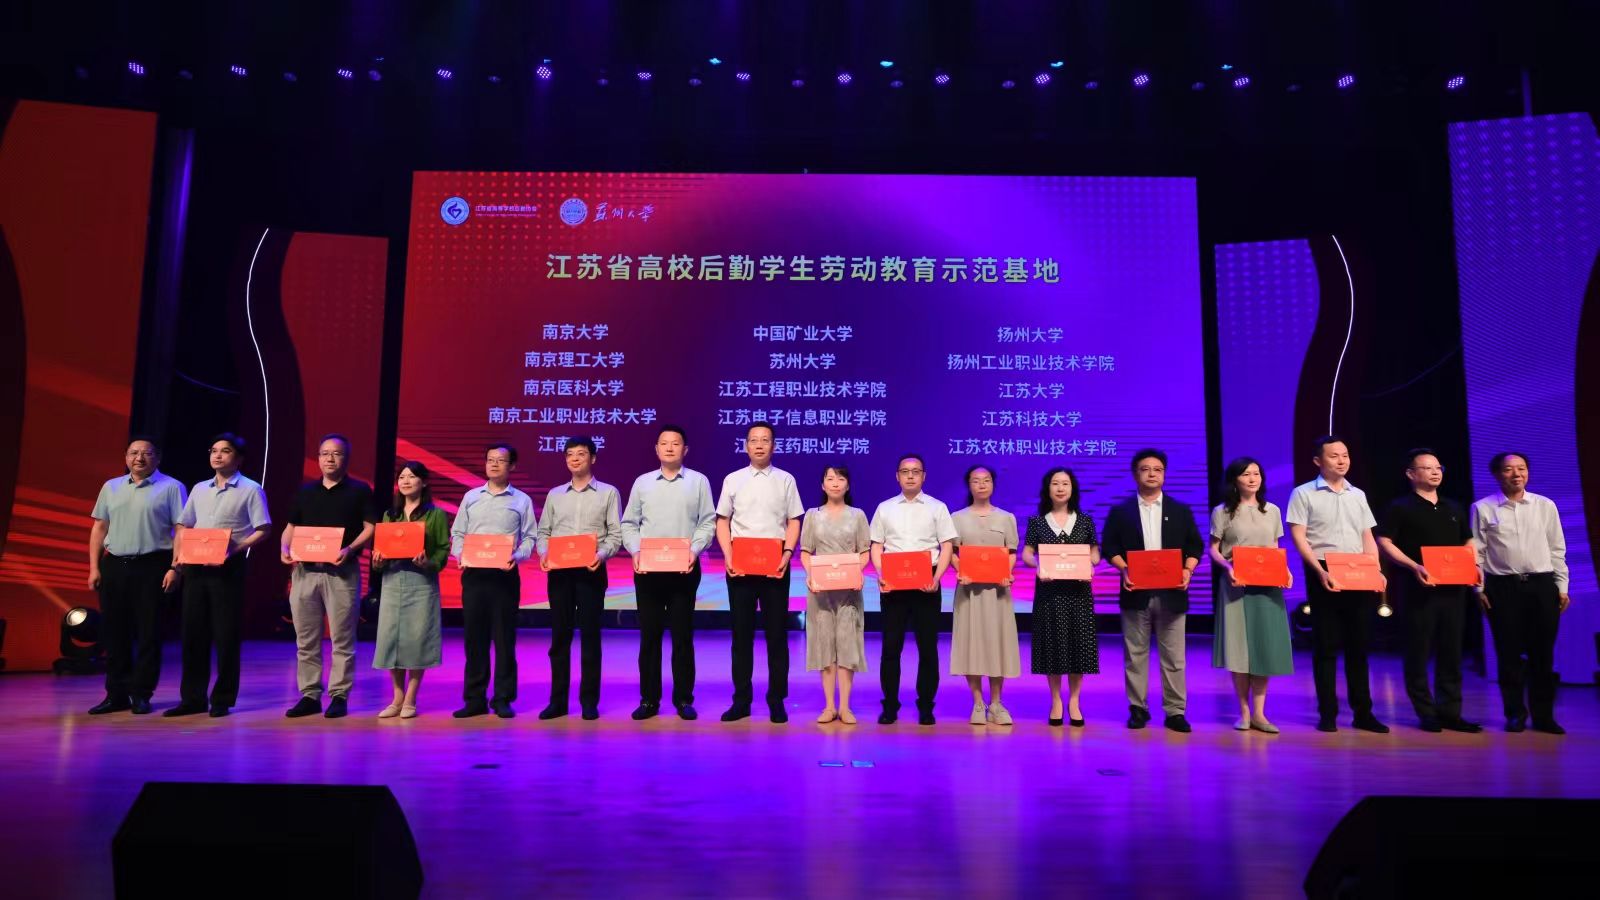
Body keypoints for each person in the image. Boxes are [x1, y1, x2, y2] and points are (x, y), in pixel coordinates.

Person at [1287, 434, 1390, 733]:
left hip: (1358, 569)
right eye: (1334, 456)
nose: (1342, 460)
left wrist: (1376, 569)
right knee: (1326, 645)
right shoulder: (1303, 493)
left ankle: (1363, 713)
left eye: (1345, 455)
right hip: (1324, 569)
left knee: (1359, 645)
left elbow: (1367, 535)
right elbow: (1299, 536)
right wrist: (1319, 572)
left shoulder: (1357, 494)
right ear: (1318, 461)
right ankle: (1328, 713)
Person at [165, 433, 271, 718]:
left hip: (228, 567)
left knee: (226, 634)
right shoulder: (200, 488)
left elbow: (263, 528)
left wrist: (235, 548)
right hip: (195, 566)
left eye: (225, 451)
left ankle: (222, 698)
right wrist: (176, 563)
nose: (218, 455)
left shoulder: (250, 489)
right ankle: (192, 698)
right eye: (214, 450)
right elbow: (184, 525)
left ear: (239, 458)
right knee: (193, 633)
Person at [1376, 449, 1481, 733]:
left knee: (1452, 651)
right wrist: (1414, 566)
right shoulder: (1400, 507)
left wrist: (1471, 565)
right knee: (1418, 651)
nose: (1435, 472)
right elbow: (1384, 541)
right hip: (1418, 589)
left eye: (1438, 467)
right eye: (1427, 468)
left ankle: (1451, 712)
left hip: (1454, 590)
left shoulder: (1453, 507)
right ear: (1411, 474)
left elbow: (1468, 540)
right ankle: (1426, 712)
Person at [1101, 448, 1204, 733]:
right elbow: (1109, 546)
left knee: (1174, 657)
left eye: (1157, 469)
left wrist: (1187, 570)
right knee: (1135, 655)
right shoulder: (1120, 511)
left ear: (1165, 475)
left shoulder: (1180, 511)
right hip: (1135, 592)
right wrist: (1124, 569)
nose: (1151, 474)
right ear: (1135, 474)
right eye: (1145, 469)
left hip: (1173, 593)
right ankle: (1138, 709)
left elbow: (1195, 546)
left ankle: (1175, 712)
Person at [621, 425, 717, 721]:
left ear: (685, 450)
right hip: (648, 570)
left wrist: (694, 551)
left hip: (684, 569)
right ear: (656, 449)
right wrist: (635, 551)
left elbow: (707, 522)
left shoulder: (698, 481)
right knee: (649, 636)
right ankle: (649, 700)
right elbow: (629, 524)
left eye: (676, 443)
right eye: (664, 443)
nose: (670, 447)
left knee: (682, 636)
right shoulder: (643, 483)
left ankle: (684, 699)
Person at [1471, 452, 1571, 735]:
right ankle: (1515, 714)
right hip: (1503, 587)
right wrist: (1479, 588)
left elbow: (1557, 549)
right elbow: (1476, 553)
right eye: (1509, 469)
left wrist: (1562, 586)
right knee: (1509, 653)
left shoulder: (1545, 505)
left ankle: (1544, 716)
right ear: (1496, 474)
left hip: (1542, 585)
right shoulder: (1482, 508)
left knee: (1543, 654)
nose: (1516, 474)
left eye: (1522, 468)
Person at [86, 436, 187, 716]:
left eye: (146, 453)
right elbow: (99, 528)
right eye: (133, 453)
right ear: (126, 457)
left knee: (148, 632)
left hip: (153, 565)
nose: (139, 458)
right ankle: (115, 694)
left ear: (158, 457)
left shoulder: (172, 487)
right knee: (114, 632)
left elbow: (182, 530)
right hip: (115, 565)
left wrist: (175, 567)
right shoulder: (111, 486)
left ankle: (141, 693)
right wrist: (94, 567)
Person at [280, 434, 377, 720]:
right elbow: (291, 527)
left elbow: (370, 527)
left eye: (336, 454)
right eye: (324, 453)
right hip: (305, 572)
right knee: (306, 638)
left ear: (346, 458)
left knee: (342, 638)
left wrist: (350, 548)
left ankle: (339, 695)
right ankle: (309, 695)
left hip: (341, 573)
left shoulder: (359, 490)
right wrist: (284, 549)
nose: (329, 459)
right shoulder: (305, 491)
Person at [715, 421, 804, 723]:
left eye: (765, 440)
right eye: (754, 440)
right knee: (741, 636)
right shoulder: (733, 479)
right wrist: (728, 555)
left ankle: (776, 699)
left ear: (773, 446)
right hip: (740, 566)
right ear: (746, 446)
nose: (759, 445)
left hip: (774, 566)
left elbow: (794, 520)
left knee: (776, 635)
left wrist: (787, 554)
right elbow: (723, 520)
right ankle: (741, 700)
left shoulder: (785, 480)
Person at [536, 437, 623, 721]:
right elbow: (543, 532)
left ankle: (589, 701)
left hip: (591, 572)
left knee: (590, 637)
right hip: (560, 574)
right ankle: (558, 702)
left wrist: (601, 554)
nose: (574, 459)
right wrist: (544, 553)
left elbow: (615, 535)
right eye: (570, 454)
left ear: (593, 458)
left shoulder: (608, 493)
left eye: (581, 454)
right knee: (559, 638)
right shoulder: (555, 495)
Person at [449, 443, 537, 719]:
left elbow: (530, 537)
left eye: (500, 460)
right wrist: (460, 555)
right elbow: (458, 533)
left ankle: (503, 698)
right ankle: (474, 698)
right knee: (474, 640)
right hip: (474, 576)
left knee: (504, 640)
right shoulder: (471, 497)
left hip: (504, 576)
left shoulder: (521, 500)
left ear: (512, 466)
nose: (494, 464)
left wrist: (517, 556)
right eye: (490, 460)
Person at [1208, 457, 1294, 733]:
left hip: (1268, 585)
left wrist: (1285, 571)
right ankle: (1244, 711)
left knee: (1263, 647)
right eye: (1246, 474)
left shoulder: (1272, 510)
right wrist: (1227, 566)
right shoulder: (1222, 512)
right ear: (1235, 480)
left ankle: (1259, 713)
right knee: (1239, 650)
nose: (1253, 478)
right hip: (1236, 585)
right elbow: (1213, 549)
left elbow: (1274, 547)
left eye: (1256, 473)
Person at [869, 454, 956, 726]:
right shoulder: (884, 508)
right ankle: (890, 705)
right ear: (897, 476)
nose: (910, 475)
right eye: (905, 471)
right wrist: (881, 575)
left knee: (927, 648)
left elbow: (947, 545)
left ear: (924, 476)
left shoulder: (937, 507)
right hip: (894, 583)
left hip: (926, 583)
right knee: (890, 647)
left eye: (916, 471)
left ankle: (926, 705)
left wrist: (937, 578)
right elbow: (876, 545)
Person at [1021, 467, 1100, 727]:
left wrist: (1090, 564)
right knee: (1053, 647)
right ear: (1048, 489)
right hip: (1049, 593)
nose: (1060, 488)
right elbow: (1027, 554)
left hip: (1078, 594)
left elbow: (1095, 552)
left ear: (1072, 488)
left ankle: (1074, 701)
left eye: (1065, 483)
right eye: (1055, 483)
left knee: (1079, 647)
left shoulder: (1085, 521)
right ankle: (1055, 700)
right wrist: (1038, 565)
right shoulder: (1037, 522)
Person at [371, 461, 449, 718]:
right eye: (402, 477)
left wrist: (429, 563)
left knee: (417, 640)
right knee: (391, 639)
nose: (405, 481)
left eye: (412, 477)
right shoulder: (389, 515)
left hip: (421, 582)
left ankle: (411, 698)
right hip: (393, 581)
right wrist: (377, 562)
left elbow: (443, 550)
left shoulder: (435, 515)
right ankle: (396, 698)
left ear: (424, 482)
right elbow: (381, 550)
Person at [799, 465, 871, 724]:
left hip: (848, 591)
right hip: (821, 591)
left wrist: (856, 572)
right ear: (823, 485)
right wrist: (811, 574)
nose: (835, 483)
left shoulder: (858, 515)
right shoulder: (812, 515)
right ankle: (829, 706)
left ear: (847, 485)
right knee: (824, 645)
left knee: (847, 646)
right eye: (830, 478)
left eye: (841, 479)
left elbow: (864, 551)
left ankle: (845, 707)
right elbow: (805, 551)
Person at [949, 465, 1021, 726]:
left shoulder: (1006, 518)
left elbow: (1010, 552)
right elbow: (952, 552)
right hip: (969, 592)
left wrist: (1006, 573)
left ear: (993, 484)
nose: (981, 484)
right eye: (976, 481)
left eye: (986, 480)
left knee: (997, 644)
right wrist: (961, 570)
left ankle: (997, 704)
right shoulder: (957, 518)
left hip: (998, 592)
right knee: (971, 644)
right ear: (969, 485)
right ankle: (978, 702)